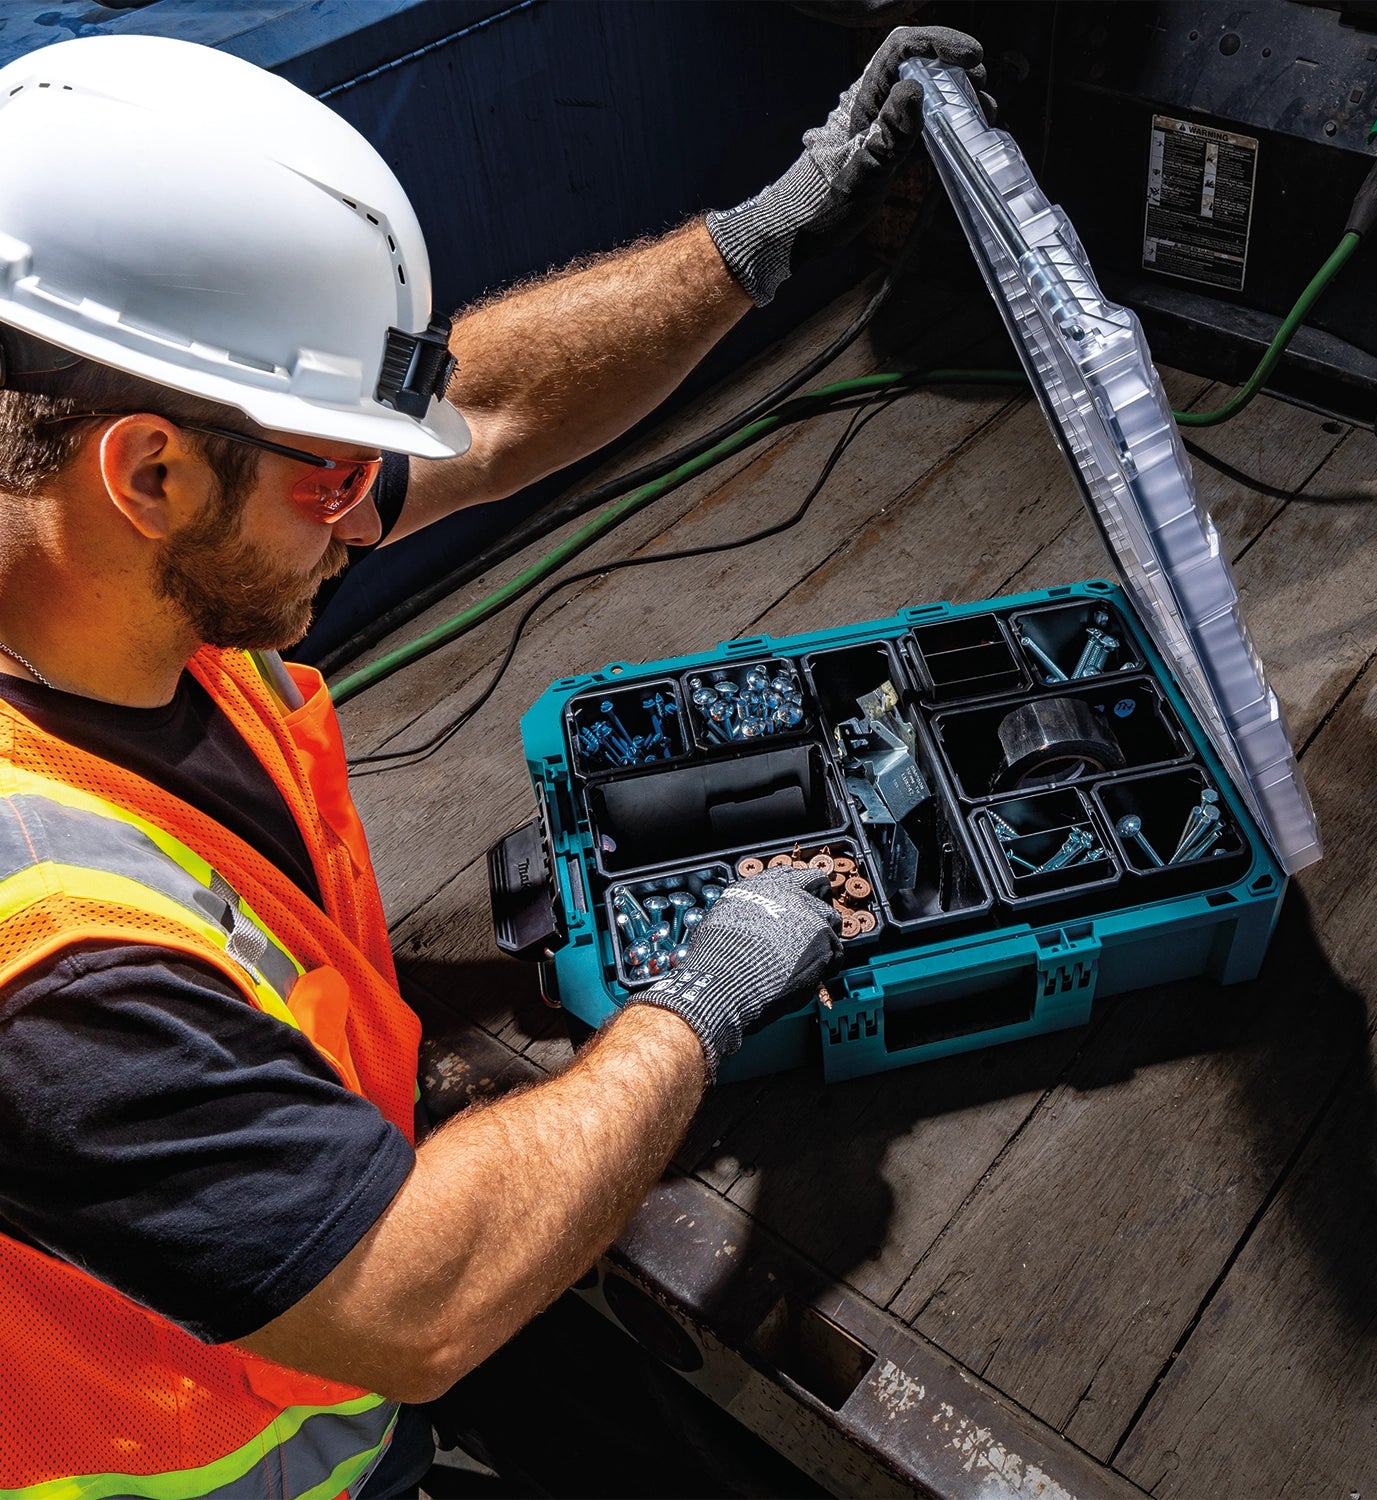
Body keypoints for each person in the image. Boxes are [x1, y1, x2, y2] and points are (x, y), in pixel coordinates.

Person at [0, 22, 987, 1498]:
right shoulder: (52, 973)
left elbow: (493, 409)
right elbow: (419, 1301)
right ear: (147, 470)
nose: (367, 513)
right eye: (329, 476)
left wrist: (759, 234)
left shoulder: (100, 561)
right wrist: (703, 997)